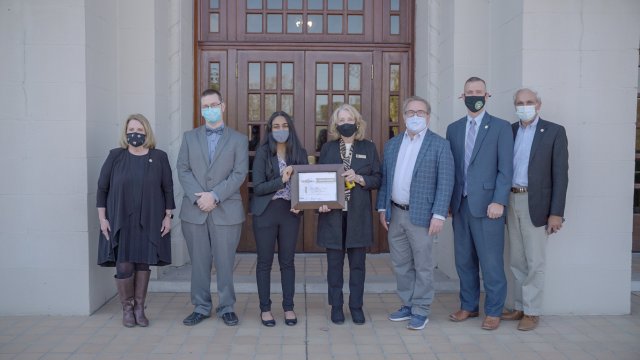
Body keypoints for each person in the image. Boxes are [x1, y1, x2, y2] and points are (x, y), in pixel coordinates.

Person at [377, 96, 454, 330]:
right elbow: (385, 180)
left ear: (428, 116)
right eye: (410, 112)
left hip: (423, 215)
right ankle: (408, 304)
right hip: (396, 213)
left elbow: (446, 181)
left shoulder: (440, 144)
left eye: (420, 112)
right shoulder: (392, 145)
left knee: (423, 264)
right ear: (403, 117)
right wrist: (383, 207)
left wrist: (439, 214)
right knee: (401, 264)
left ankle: (421, 309)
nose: (415, 116)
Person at [446, 77, 514, 330]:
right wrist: (448, 202)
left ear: (487, 96)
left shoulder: (500, 127)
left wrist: (499, 201)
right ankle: (469, 306)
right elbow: (451, 168)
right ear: (461, 97)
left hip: (488, 207)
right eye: (469, 92)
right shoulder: (453, 129)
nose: (474, 95)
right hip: (460, 205)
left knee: (491, 261)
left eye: (479, 92)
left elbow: (506, 169)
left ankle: (494, 310)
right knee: (464, 260)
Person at [177, 89, 249, 326]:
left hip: (226, 210)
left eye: (214, 104)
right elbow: (183, 168)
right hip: (195, 209)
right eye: (205, 106)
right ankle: (201, 306)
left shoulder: (238, 139)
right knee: (199, 262)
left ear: (223, 106)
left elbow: (239, 173)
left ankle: (227, 306)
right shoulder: (189, 137)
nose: (210, 109)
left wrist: (215, 196)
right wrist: (200, 197)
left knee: (225, 261)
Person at [97, 114, 175, 328]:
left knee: (142, 263)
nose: (135, 134)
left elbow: (168, 189)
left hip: (149, 220)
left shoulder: (159, 157)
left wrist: (168, 217)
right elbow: (102, 189)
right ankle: (127, 308)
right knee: (124, 266)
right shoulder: (115, 156)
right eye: (131, 130)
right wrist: (102, 219)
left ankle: (140, 308)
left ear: (147, 132)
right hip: (121, 221)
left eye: (140, 130)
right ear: (125, 133)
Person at [501, 88, 569, 331]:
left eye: (529, 102)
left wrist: (556, 212)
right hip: (511, 200)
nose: (524, 106)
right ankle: (520, 306)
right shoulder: (508, 131)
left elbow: (560, 176)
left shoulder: (554, 131)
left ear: (538, 104)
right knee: (517, 259)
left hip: (537, 203)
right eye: (520, 102)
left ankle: (532, 311)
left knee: (535, 260)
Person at [317, 104, 381, 325]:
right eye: (341, 120)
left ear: (357, 121)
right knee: (334, 265)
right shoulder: (327, 148)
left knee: (357, 265)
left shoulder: (368, 148)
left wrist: (360, 178)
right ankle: (336, 306)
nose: (345, 123)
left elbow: (378, 178)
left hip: (358, 216)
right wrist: (321, 203)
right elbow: (319, 179)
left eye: (349, 119)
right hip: (333, 216)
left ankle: (356, 306)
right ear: (336, 124)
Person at [251, 111, 308, 327]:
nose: (280, 129)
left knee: (287, 262)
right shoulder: (262, 153)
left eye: (284, 125)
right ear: (270, 130)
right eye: (276, 126)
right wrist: (281, 180)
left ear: (290, 128)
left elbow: (305, 185)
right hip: (265, 213)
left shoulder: (299, 152)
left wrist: (300, 205)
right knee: (265, 263)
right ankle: (265, 309)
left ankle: (288, 307)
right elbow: (257, 187)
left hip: (290, 214)